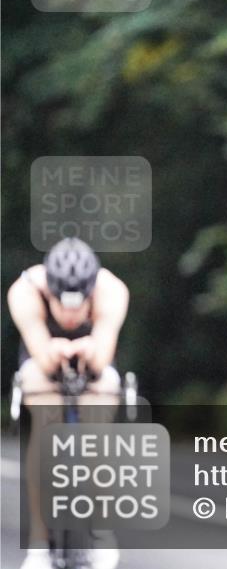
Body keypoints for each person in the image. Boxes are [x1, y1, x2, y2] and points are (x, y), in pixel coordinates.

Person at [7, 237, 129, 569]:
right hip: (42, 353)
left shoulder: (112, 290)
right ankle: (39, 545)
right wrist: (54, 352)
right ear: (50, 289)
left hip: (94, 356)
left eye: (80, 304)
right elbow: (41, 356)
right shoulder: (25, 291)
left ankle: (102, 532)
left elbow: (103, 356)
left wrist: (89, 351)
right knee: (44, 419)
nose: (72, 314)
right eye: (63, 304)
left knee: (99, 415)